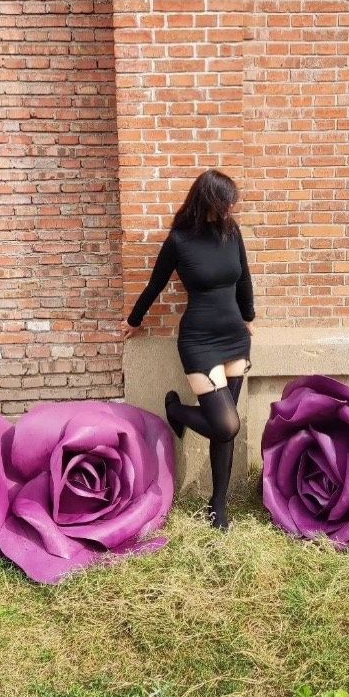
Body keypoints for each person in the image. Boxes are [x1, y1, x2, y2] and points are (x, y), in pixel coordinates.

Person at [120, 169, 255, 531]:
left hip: (234, 337)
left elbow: (244, 277)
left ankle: (218, 504)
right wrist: (134, 320)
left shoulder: (232, 232)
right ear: (210, 200)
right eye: (226, 201)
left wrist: (248, 316)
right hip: (199, 341)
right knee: (226, 424)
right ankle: (176, 410)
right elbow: (155, 284)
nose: (231, 207)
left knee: (225, 428)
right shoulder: (179, 241)